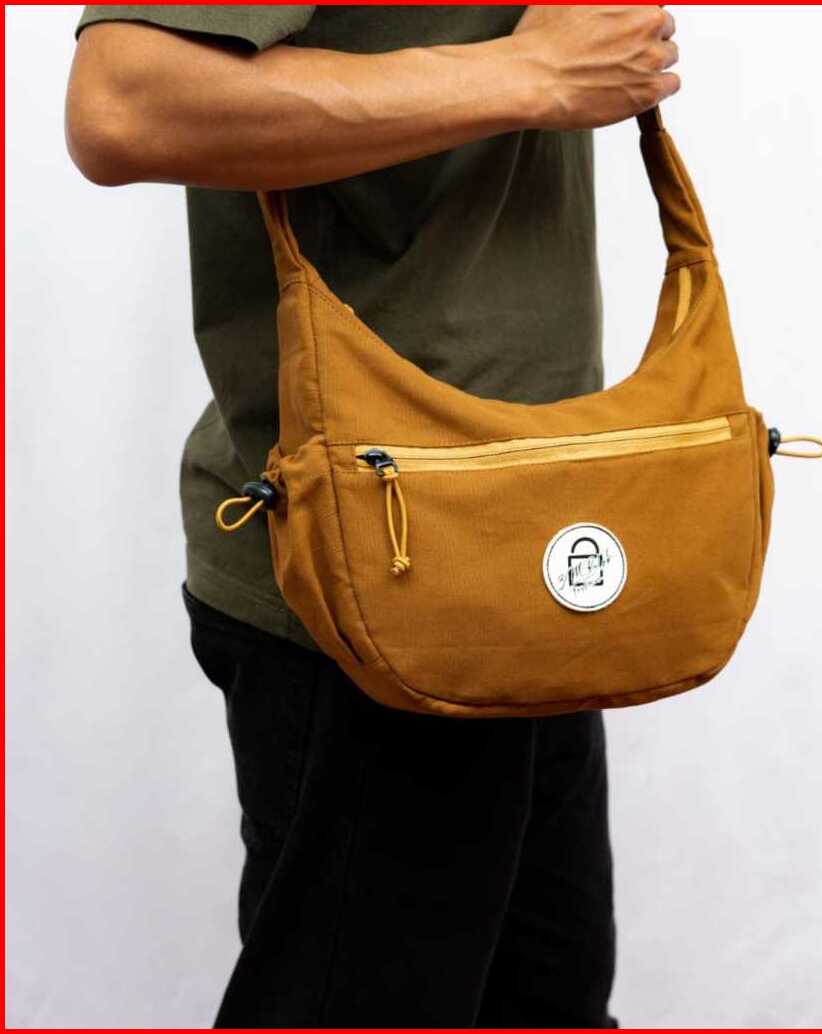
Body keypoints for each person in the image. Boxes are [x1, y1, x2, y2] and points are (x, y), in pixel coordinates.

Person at [66, 5, 680, 1027]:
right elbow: (122, 103)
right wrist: (531, 73)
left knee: (547, 1004)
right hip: (368, 585)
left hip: (528, 545)